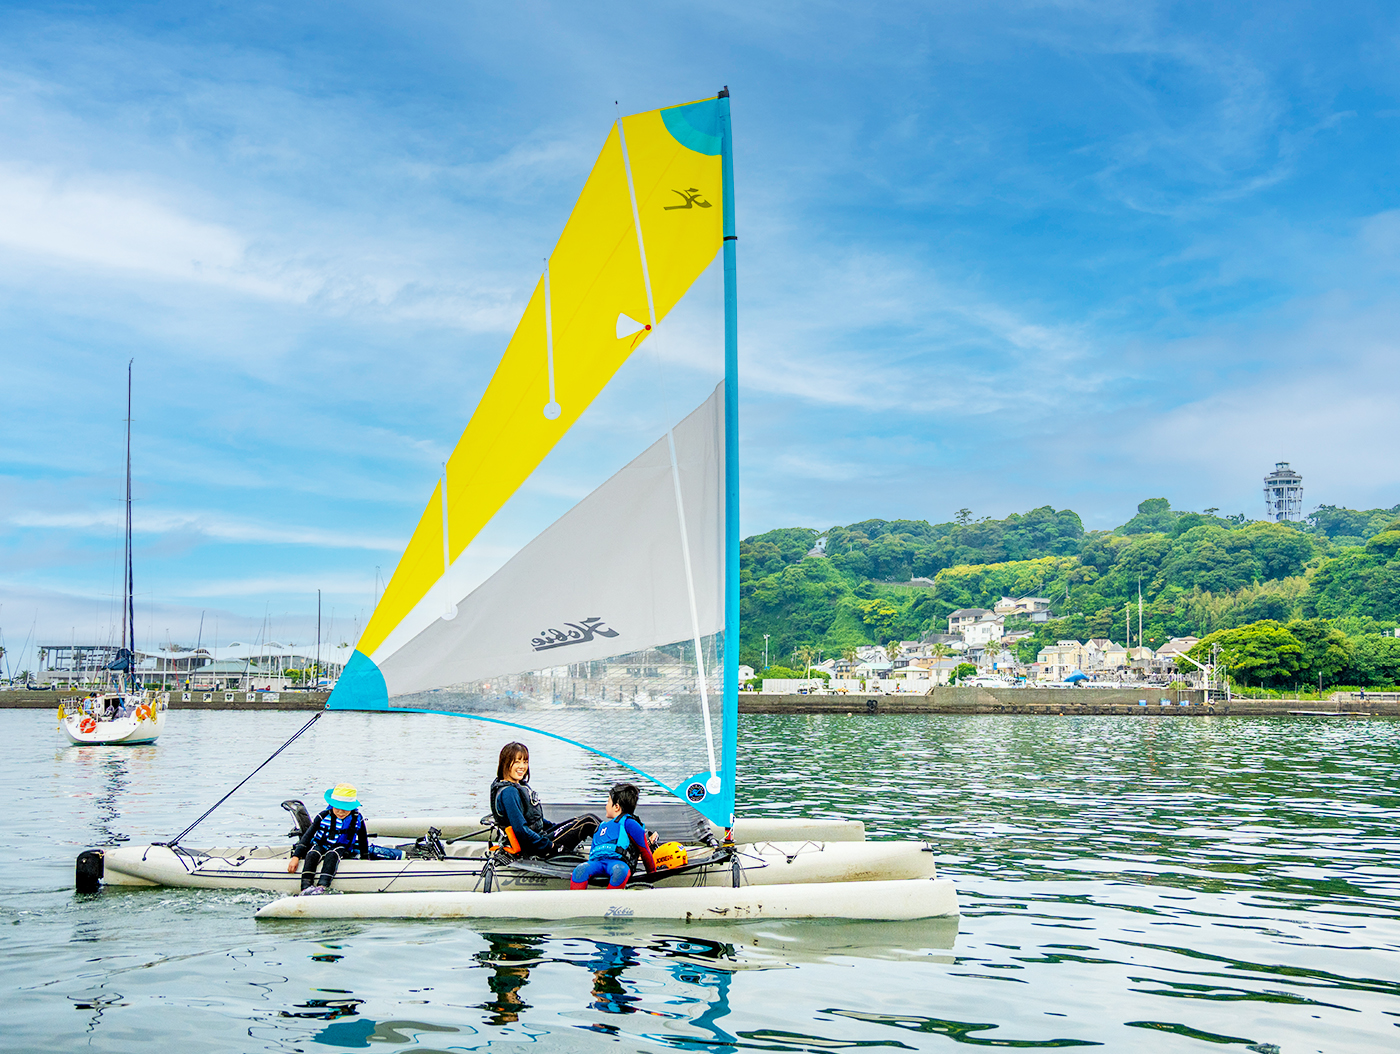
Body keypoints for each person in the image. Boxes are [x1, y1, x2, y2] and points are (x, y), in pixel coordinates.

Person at [489, 742, 598, 857]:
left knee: (583, 820)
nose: (522, 766)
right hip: (534, 847)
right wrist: (550, 846)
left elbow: (534, 819)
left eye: (525, 762)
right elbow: (521, 830)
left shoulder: (518, 786)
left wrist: (558, 827)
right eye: (517, 762)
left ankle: (614, 847)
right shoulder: (509, 793)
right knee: (588, 822)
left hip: (540, 837)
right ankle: (616, 853)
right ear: (505, 763)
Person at [570, 782, 657, 890]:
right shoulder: (601, 828)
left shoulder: (630, 823)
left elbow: (645, 852)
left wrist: (652, 875)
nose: (606, 806)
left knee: (620, 871)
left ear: (616, 807)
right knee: (580, 869)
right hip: (597, 864)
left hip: (618, 864)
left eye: (608, 802)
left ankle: (609, 902)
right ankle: (576, 904)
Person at [287, 782, 371, 893]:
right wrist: (296, 857)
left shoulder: (357, 819)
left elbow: (363, 840)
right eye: (338, 808)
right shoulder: (322, 816)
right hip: (321, 844)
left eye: (345, 809)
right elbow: (307, 836)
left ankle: (322, 887)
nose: (341, 812)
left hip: (341, 846)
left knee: (332, 855)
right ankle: (305, 887)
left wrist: (365, 859)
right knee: (312, 854)